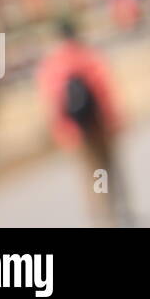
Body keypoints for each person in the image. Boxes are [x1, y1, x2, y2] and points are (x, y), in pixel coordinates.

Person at [36, 18, 133, 226]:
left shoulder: (53, 64)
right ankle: (118, 212)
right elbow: (104, 89)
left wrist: (61, 131)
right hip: (100, 125)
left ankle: (102, 216)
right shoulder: (89, 56)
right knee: (108, 170)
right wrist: (114, 119)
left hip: (76, 131)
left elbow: (52, 101)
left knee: (92, 175)